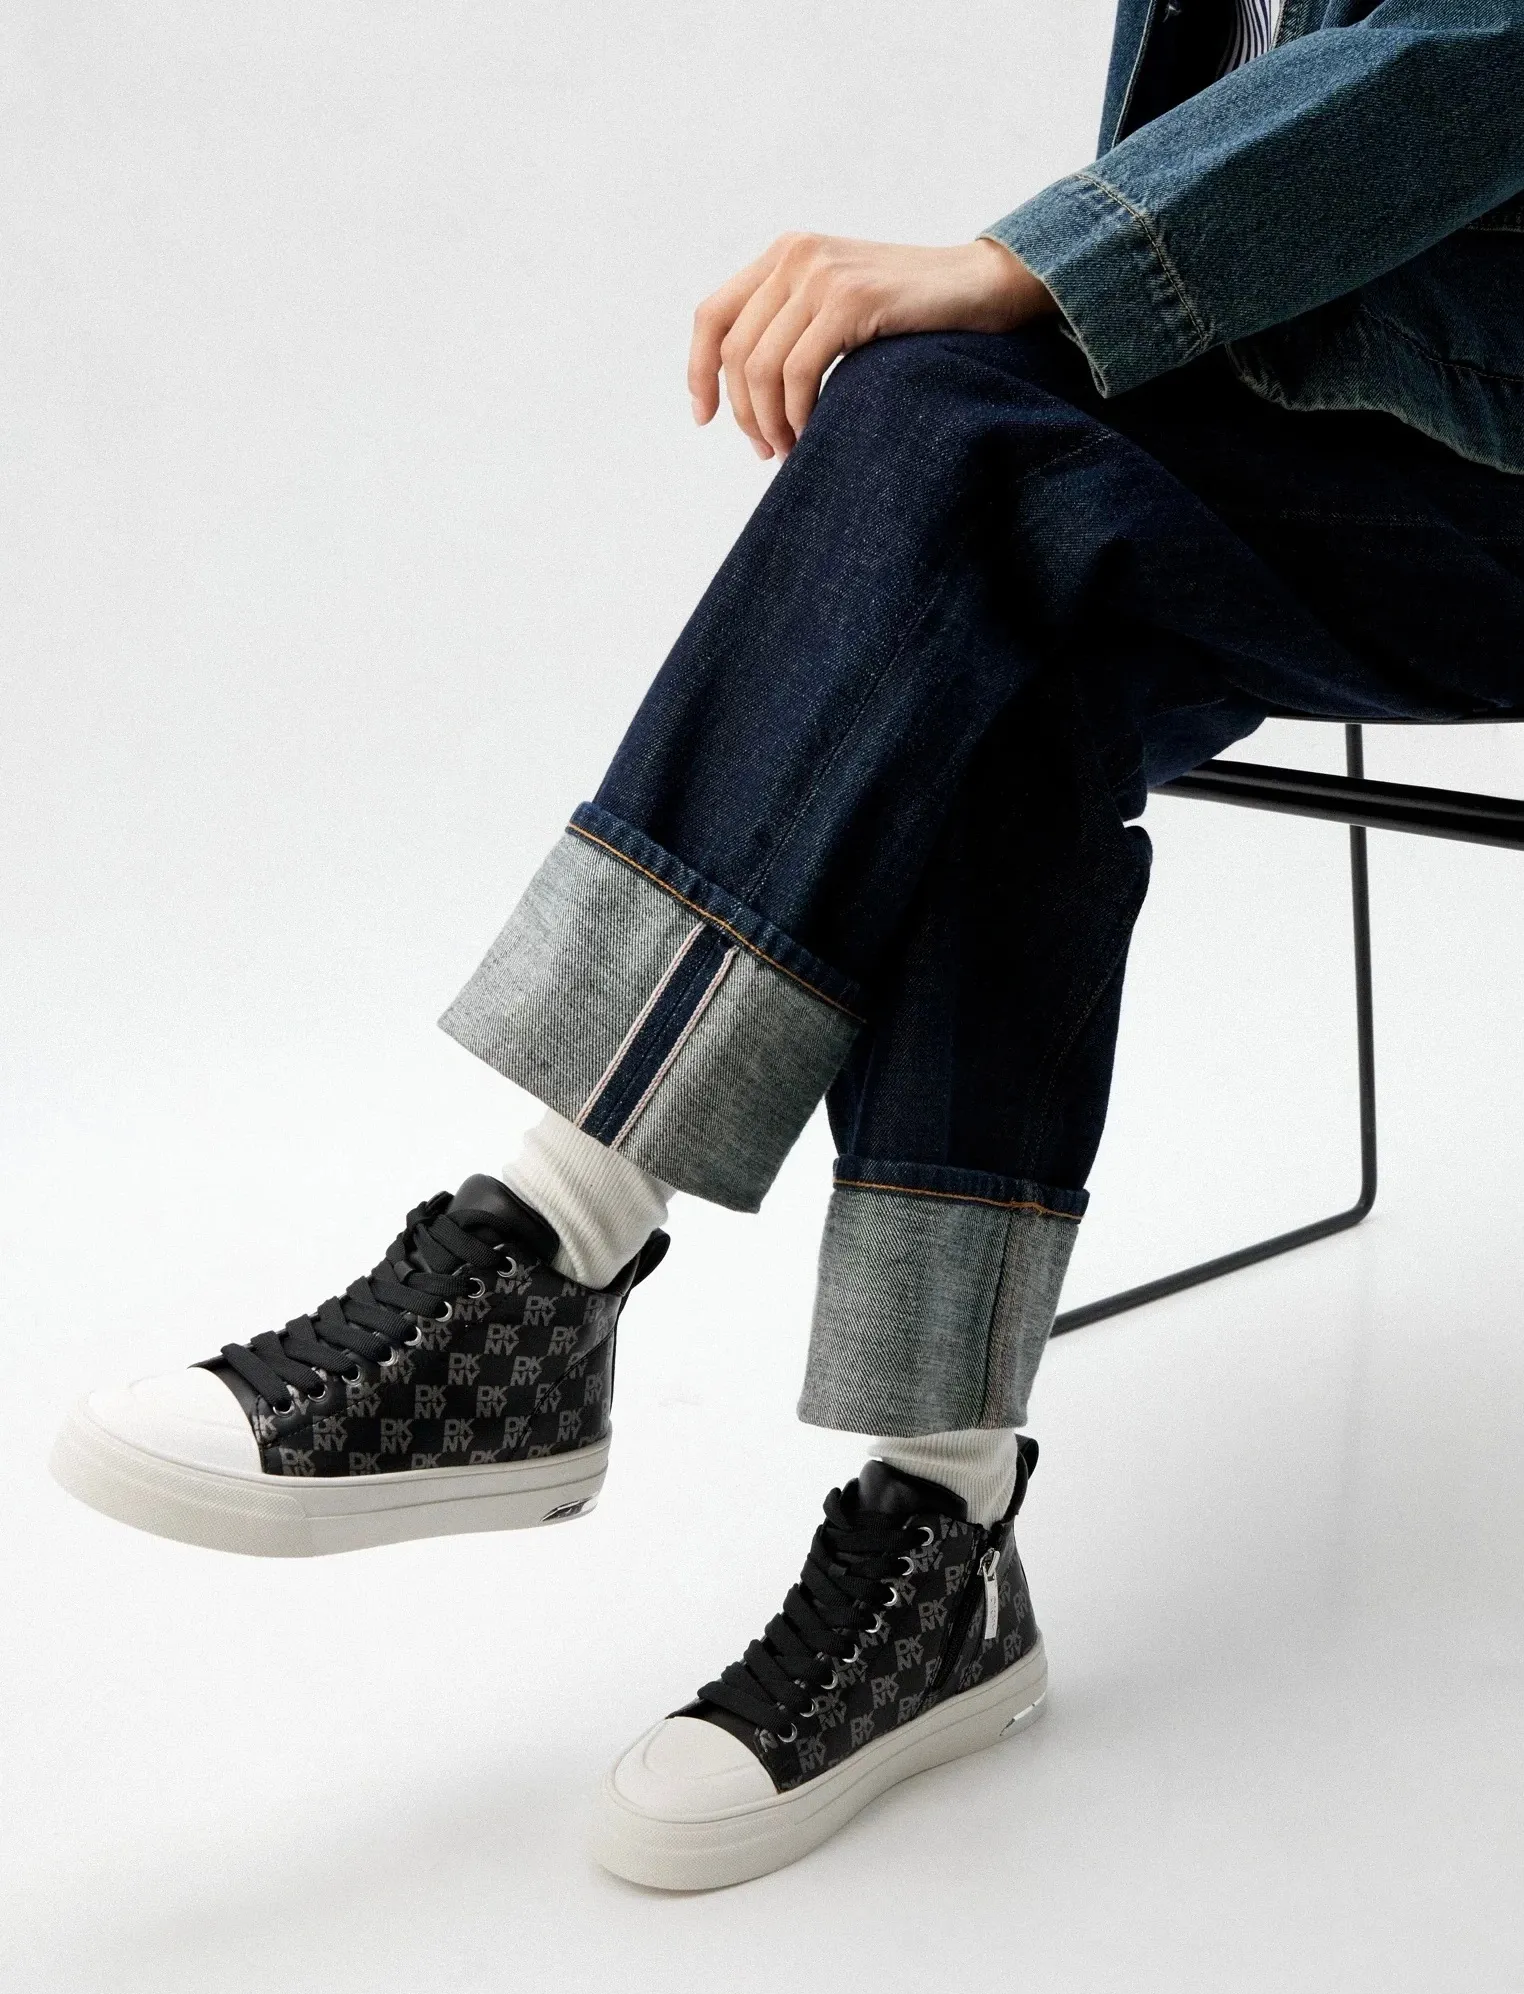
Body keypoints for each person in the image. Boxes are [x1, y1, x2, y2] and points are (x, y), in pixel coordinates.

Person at [50, 0, 1524, 1889]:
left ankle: (550, 1259)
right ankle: (937, 1541)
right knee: (991, 585)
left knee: (951, 440)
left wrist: (1032, 264)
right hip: (1327, 404)